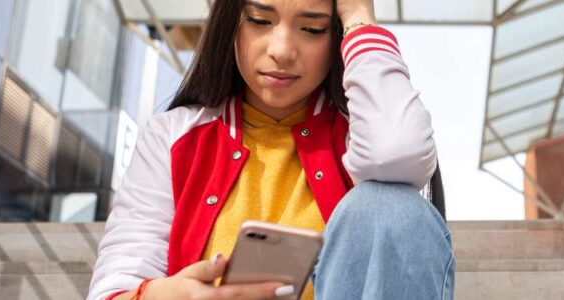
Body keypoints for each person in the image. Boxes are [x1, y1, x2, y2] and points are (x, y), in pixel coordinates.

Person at [86, 0, 453, 299]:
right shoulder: (173, 136)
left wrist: (360, 18)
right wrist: (160, 296)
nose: (281, 51)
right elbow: (112, 289)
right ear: (232, 23)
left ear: (335, 38)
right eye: (259, 20)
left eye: (312, 28)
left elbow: (398, 150)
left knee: (393, 207)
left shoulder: (363, 132)